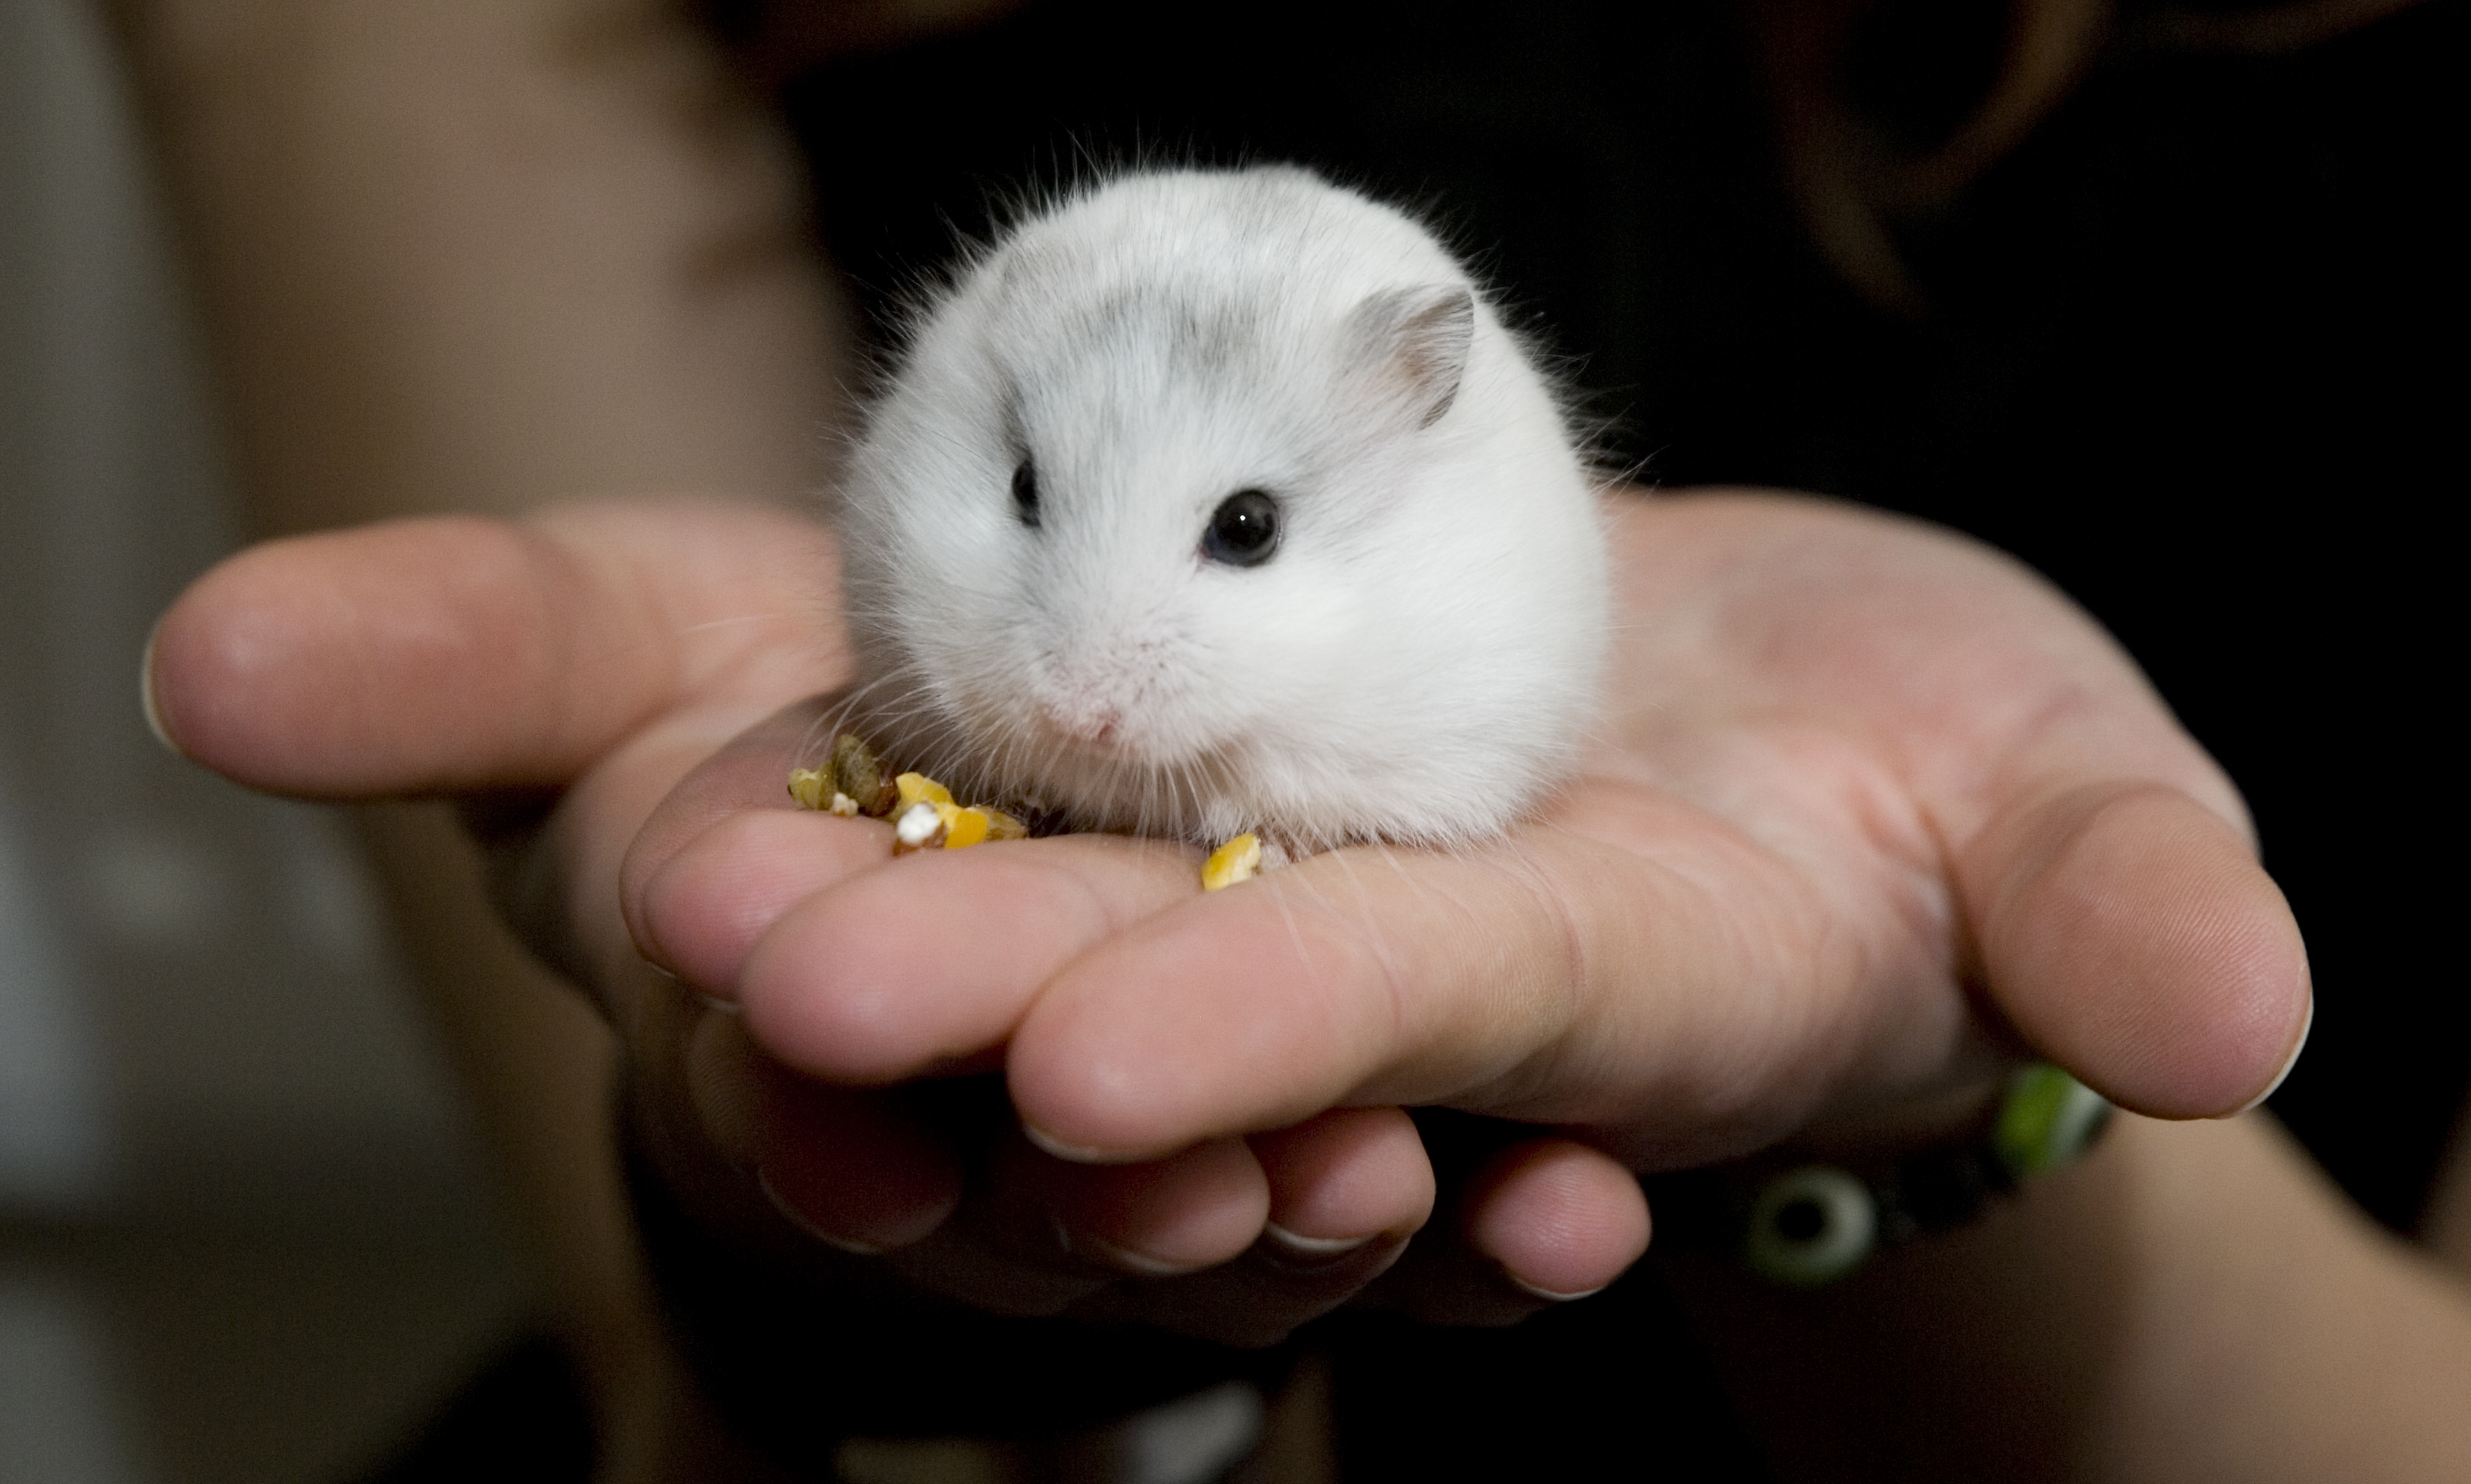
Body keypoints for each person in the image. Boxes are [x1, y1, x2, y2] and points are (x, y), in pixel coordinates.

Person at [113, 0, 2470, 1477]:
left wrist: (1936, 1083)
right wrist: (815, 1269)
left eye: (1236, 540)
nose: (1088, 680)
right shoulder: (985, 374)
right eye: (1029, 522)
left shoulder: (1447, 465)